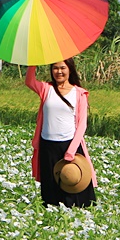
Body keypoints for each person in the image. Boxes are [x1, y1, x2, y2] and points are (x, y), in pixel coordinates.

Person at [24, 59, 97, 207]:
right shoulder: (46, 89)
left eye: (63, 68)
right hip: (47, 144)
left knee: (73, 179)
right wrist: (34, 59)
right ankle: (51, 214)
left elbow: (82, 125)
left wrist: (71, 150)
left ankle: (77, 215)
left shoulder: (79, 93)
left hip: (69, 144)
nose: (59, 72)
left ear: (70, 69)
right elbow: (29, 81)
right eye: (55, 68)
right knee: (50, 185)